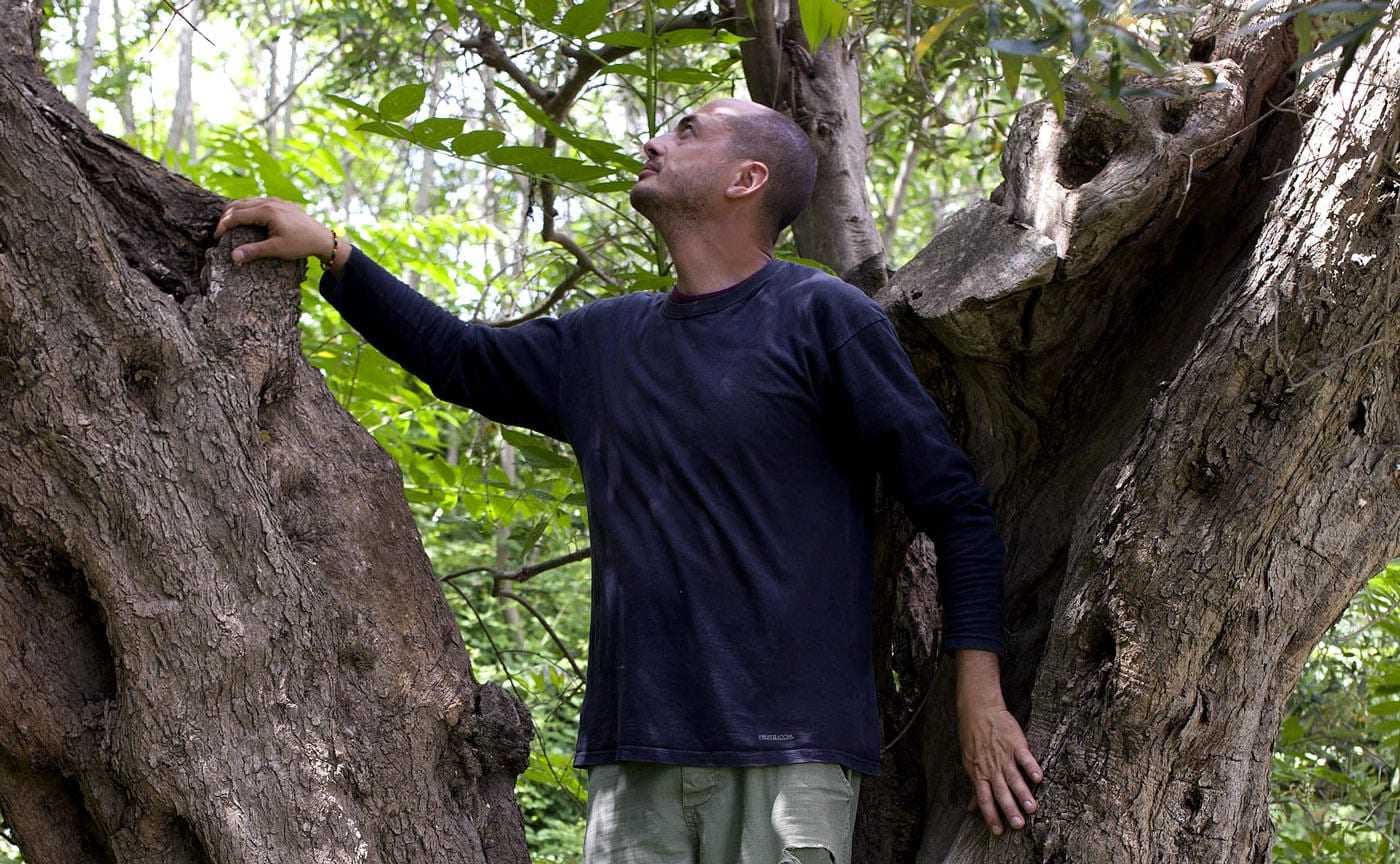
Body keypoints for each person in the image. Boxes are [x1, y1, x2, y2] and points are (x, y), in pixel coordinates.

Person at [214, 97, 1042, 862]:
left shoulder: (824, 318)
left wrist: (979, 696)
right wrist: (334, 253)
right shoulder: (602, 342)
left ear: (746, 179)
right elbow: (462, 359)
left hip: (790, 756)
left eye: (687, 130)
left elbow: (956, 509)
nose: (652, 140)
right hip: (634, 761)